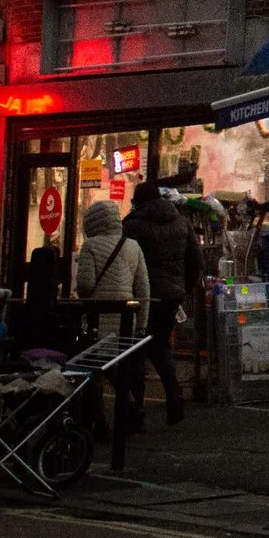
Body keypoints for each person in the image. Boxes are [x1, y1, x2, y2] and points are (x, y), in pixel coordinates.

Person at [122, 185, 202, 425]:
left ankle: (135, 410)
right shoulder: (181, 221)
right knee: (160, 345)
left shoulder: (132, 225)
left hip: (142, 297)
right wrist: (182, 289)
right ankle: (174, 397)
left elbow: (125, 263)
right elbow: (195, 261)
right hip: (171, 297)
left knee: (136, 349)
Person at [73, 200, 150, 434]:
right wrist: (142, 323)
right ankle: (130, 408)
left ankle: (100, 424)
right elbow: (143, 288)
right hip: (127, 320)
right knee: (116, 367)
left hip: (99, 320)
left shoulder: (90, 246)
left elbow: (85, 286)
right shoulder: (133, 246)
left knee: (94, 369)